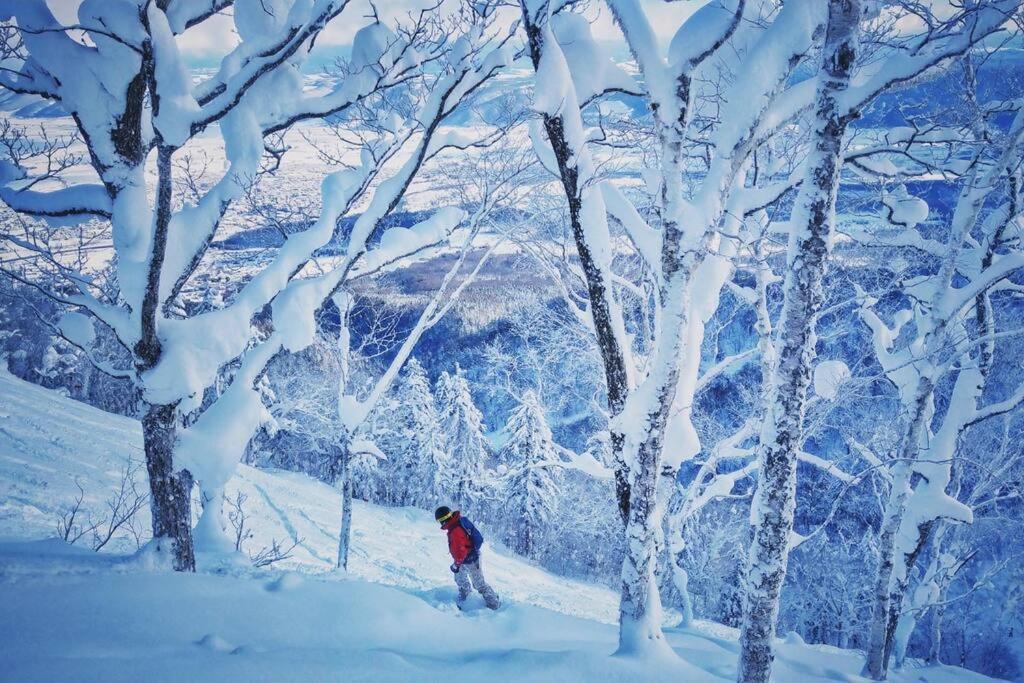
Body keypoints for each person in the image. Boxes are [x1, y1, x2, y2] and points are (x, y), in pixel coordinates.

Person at [435, 506, 500, 610]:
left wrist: (456, 564)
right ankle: (465, 596)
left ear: (443, 520)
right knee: (460, 578)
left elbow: (461, 551)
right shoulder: (458, 521)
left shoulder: (455, 530)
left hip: (471, 559)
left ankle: (494, 603)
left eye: (439, 521)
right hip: (465, 559)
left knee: (479, 584)